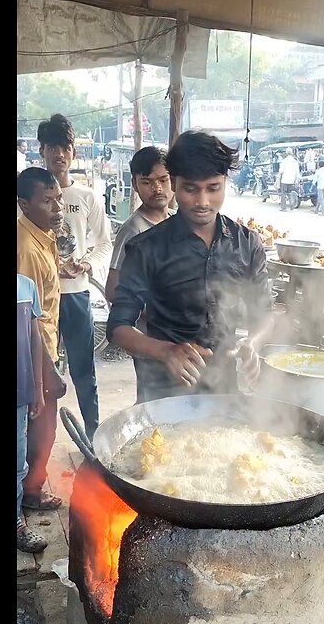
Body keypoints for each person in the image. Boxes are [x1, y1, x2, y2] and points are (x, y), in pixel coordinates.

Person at [108, 131, 277, 402]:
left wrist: (253, 343)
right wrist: (166, 351)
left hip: (224, 391)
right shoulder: (146, 247)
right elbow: (118, 327)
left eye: (213, 188)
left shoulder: (247, 244)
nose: (202, 202)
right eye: (190, 189)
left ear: (225, 183)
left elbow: (265, 314)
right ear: (174, 184)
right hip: (163, 391)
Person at [37, 114, 111, 441]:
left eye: (64, 147)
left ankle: (94, 438)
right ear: (42, 151)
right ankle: (40, 443)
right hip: (41, 300)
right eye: (52, 147)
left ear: (73, 153)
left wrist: (88, 264)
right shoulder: (26, 199)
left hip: (77, 294)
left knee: (84, 371)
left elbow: (105, 241)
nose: (59, 154)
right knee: (43, 372)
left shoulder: (86, 197)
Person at [16, 167, 68, 514]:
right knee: (42, 429)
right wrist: (46, 373)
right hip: (36, 353)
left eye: (58, 199)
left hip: (46, 344)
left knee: (37, 428)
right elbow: (28, 322)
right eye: (47, 201)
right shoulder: (26, 250)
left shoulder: (41, 235)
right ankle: (30, 493)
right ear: (23, 204)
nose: (57, 207)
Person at [106, 146, 176, 400]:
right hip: (148, 337)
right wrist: (158, 309)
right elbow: (113, 288)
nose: (157, 188)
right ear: (135, 186)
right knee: (151, 399)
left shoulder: (176, 222)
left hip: (175, 333)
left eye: (163, 180)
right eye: (147, 182)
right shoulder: (133, 230)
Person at [16, 272, 63, 553]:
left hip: (20, 390)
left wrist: (38, 386)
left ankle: (17, 524)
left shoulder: (26, 286)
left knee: (18, 460)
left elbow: (35, 337)